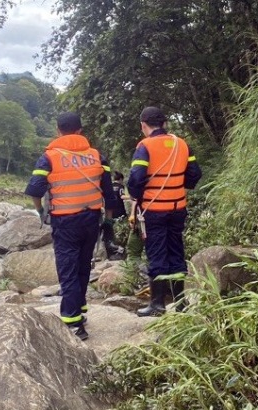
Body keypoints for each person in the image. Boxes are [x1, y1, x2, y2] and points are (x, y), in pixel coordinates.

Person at [25, 112, 120, 340]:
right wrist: (107, 221)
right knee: (83, 266)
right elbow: (109, 194)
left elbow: (35, 190)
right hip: (91, 219)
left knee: (67, 268)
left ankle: (73, 322)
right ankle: (80, 309)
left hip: (65, 221)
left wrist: (40, 211)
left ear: (58, 131)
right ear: (80, 130)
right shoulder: (97, 156)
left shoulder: (49, 157)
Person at [127, 106, 202, 317]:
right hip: (178, 208)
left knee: (157, 254)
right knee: (176, 251)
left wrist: (137, 196)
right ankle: (180, 302)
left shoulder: (145, 146)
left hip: (154, 209)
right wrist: (178, 185)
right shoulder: (182, 144)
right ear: (164, 123)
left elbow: (135, 179)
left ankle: (157, 304)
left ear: (144, 125)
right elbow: (195, 174)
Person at [102, 171, 128, 259]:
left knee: (112, 229)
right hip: (120, 211)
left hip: (110, 212)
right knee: (122, 229)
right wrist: (131, 197)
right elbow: (122, 196)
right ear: (121, 179)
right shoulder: (121, 187)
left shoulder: (110, 186)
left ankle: (112, 245)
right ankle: (120, 247)